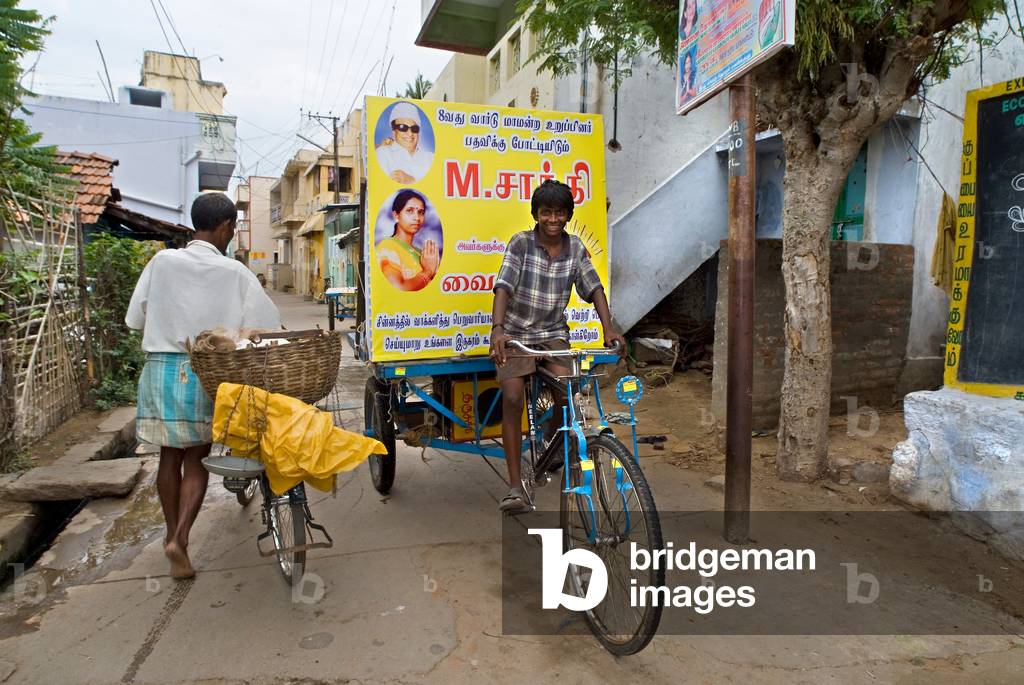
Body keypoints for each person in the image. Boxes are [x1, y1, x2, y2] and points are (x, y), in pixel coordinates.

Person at [126, 193, 282, 580]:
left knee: (169, 457)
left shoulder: (161, 262)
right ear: (227, 227)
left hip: (161, 368)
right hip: (206, 369)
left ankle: (170, 533)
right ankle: (180, 537)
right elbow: (267, 324)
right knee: (196, 459)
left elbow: (135, 318)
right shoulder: (235, 272)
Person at [489, 180, 625, 513]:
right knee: (512, 397)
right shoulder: (520, 244)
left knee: (569, 393)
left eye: (559, 212)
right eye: (546, 212)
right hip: (516, 333)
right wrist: (497, 329)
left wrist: (609, 327)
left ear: (567, 215)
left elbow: (594, 289)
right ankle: (515, 486)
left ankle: (550, 444)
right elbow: (503, 287)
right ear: (536, 214)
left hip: (552, 333)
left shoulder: (575, 248)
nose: (553, 219)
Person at [377, 189, 440, 291]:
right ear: (396, 215)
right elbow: (398, 286)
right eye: (410, 211)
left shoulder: (421, 254)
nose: (417, 217)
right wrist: (428, 272)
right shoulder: (387, 247)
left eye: (421, 212)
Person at [376, 101, 434, 183]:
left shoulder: (430, 158)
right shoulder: (383, 154)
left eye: (414, 128)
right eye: (403, 127)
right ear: (394, 131)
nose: (410, 134)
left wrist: (411, 180)